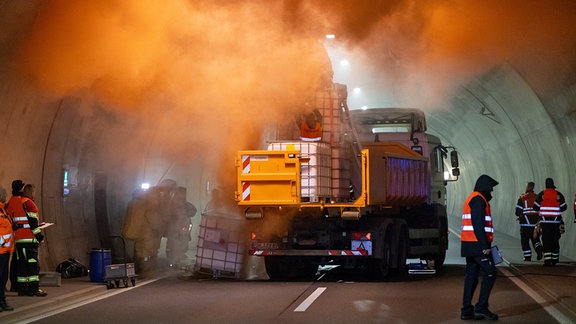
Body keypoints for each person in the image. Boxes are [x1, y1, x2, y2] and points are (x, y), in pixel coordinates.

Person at [460, 174, 499, 321]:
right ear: (485, 188)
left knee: (471, 276)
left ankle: (466, 310)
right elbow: (478, 224)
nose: (491, 192)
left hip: (469, 244)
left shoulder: (473, 198)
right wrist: (484, 246)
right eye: (490, 189)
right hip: (477, 245)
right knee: (490, 272)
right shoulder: (478, 200)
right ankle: (481, 307)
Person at [6, 181, 47, 297]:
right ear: (31, 193)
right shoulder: (29, 204)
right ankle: (34, 289)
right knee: (33, 265)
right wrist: (40, 237)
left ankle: (22, 289)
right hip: (29, 240)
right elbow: (33, 224)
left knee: (22, 265)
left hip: (18, 240)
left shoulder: (14, 202)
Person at [533, 178, 567, 266]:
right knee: (555, 240)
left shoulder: (541, 194)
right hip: (556, 222)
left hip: (545, 222)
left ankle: (548, 261)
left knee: (546, 240)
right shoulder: (558, 195)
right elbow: (564, 207)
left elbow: (535, 207)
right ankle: (555, 259)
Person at [165, 187, 197, 269]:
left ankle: (175, 261)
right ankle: (173, 262)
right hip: (177, 230)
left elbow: (192, 211)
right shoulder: (175, 205)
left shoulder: (182, 205)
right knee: (175, 246)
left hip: (180, 230)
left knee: (179, 245)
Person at [515, 182, 543, 261]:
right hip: (536, 225)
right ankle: (539, 248)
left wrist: (520, 216)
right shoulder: (538, 197)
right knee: (536, 239)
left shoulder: (522, 198)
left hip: (525, 224)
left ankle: (527, 257)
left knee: (525, 241)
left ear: (527, 187)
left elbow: (517, 212)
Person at [0, 189, 15, 311]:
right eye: (4, 194)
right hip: (0, 250)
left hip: (5, 250)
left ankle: (2, 301)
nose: (5, 196)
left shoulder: (3, 210)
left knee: (3, 277)